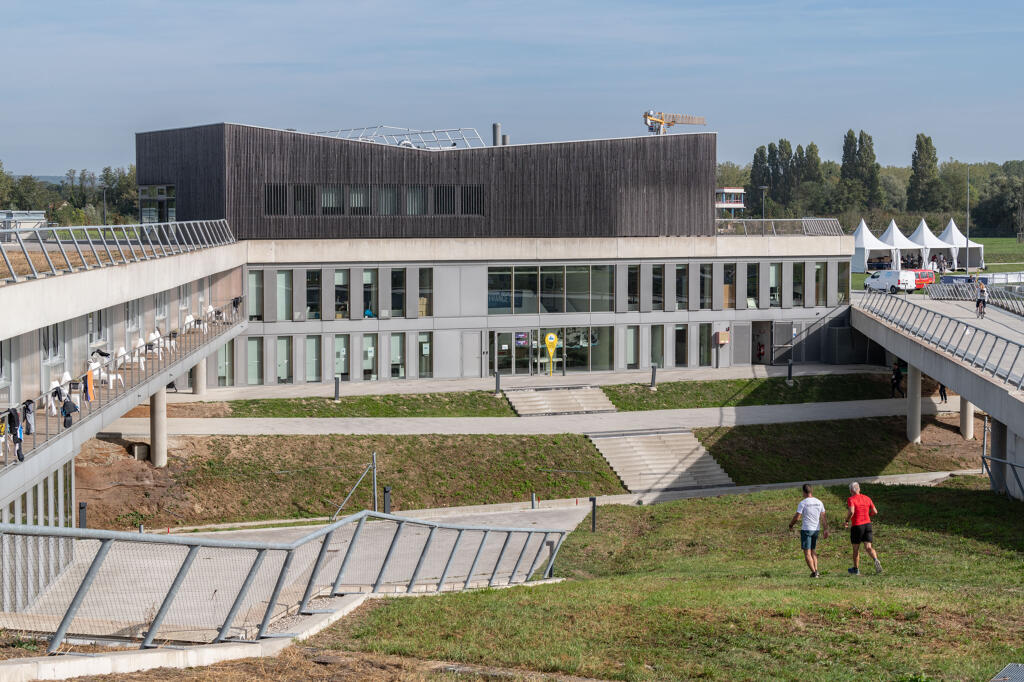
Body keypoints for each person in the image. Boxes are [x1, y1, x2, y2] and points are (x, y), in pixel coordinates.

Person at [789, 484, 828, 578]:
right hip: (816, 530)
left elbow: (797, 517)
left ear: (804, 492)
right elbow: (823, 517)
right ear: (811, 491)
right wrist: (826, 529)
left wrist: (791, 525)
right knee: (813, 551)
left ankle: (814, 573)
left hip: (806, 529)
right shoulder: (819, 502)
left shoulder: (803, 503)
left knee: (807, 553)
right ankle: (816, 570)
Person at [844, 482, 882, 575]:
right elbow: (875, 511)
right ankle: (876, 559)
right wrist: (868, 515)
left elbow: (851, 511)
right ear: (859, 489)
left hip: (857, 526)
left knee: (856, 548)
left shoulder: (851, 499)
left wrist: (846, 521)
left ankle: (856, 569)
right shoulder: (867, 498)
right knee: (868, 547)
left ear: (851, 490)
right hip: (867, 525)